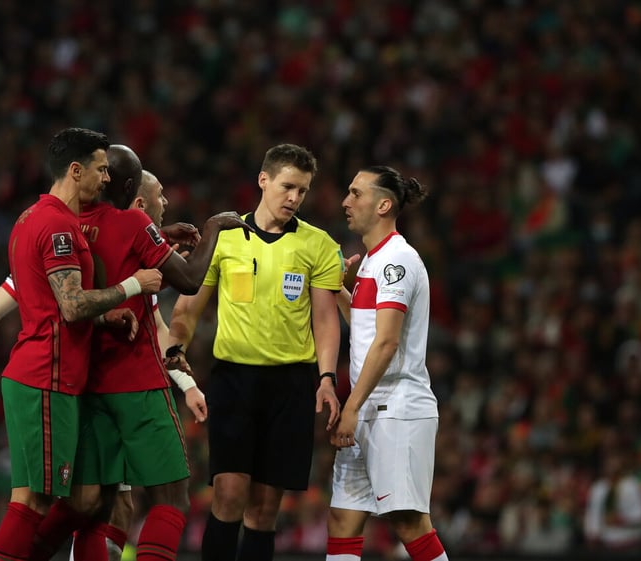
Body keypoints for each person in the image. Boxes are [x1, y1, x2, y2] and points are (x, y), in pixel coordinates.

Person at [0, 149, 214, 561]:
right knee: (89, 502)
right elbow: (163, 289)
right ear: (137, 201)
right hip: (108, 384)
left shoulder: (71, 234)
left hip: (82, 391)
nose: (164, 204)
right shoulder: (92, 238)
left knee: (90, 505)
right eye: (158, 197)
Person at [0, 127, 162, 561]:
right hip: (47, 374)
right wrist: (130, 287)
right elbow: (69, 305)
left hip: (44, 373)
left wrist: (105, 313)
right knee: (33, 502)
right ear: (75, 169)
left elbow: (54, 303)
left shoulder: (33, 217)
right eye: (102, 169)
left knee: (71, 501)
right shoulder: (58, 226)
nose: (107, 179)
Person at [167, 143, 344, 561]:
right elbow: (188, 308)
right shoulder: (225, 237)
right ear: (263, 180)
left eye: (302, 190)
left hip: (292, 384)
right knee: (228, 493)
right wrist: (176, 355)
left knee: (265, 509)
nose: (294, 198)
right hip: (234, 379)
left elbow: (324, 319)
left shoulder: (318, 245)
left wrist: (327, 378)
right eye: (287, 187)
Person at [327, 166, 448, 561]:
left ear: (383, 205)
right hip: (369, 408)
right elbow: (365, 327)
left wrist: (350, 406)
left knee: (410, 523)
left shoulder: (397, 261)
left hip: (396, 408)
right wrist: (338, 289)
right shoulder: (370, 262)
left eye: (355, 193)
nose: (346, 202)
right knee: (343, 519)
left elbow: (386, 342)